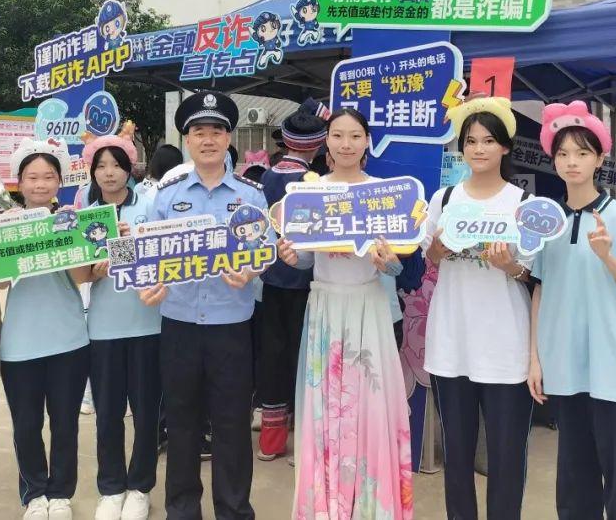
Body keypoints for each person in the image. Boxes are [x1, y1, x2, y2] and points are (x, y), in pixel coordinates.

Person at [528, 101, 616, 520]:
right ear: (553, 159)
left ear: (600, 159)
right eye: (563, 153)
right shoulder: (547, 221)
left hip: (615, 369)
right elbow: (540, 289)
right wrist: (535, 358)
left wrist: (608, 258)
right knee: (574, 477)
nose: (572, 162)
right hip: (565, 367)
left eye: (582, 152)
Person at [278, 108, 414, 519]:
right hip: (325, 308)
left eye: (355, 135)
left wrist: (389, 263)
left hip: (368, 309)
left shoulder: (383, 195)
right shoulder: (310, 193)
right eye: (338, 135)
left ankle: (372, 507)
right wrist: (292, 256)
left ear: (367, 141)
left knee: (371, 408)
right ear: (327, 141)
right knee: (325, 412)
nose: (346, 144)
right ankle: (326, 506)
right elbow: (306, 259)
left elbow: (397, 267)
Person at [139, 91, 268, 520]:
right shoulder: (165, 196)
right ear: (187, 140)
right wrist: (147, 284)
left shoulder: (251, 196)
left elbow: (264, 252)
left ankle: (234, 510)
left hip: (232, 326)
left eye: (216, 131)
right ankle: (182, 510)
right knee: (181, 423)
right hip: (179, 325)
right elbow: (148, 256)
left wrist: (251, 270)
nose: (208, 140)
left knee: (232, 424)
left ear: (228, 138)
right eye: (199, 132)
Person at [423, 98, 534, 520]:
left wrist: (511, 267)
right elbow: (430, 256)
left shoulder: (522, 203)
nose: (479, 149)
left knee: (507, 456)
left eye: (489, 141)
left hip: (505, 347)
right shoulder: (445, 198)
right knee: (456, 454)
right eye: (471, 141)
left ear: (505, 147)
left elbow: (533, 274)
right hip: (452, 343)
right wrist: (437, 249)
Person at [0, 138, 91, 520]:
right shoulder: (4, 226)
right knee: (26, 424)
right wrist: (10, 235)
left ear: (59, 182)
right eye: (32, 177)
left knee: (65, 423)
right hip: (20, 343)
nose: (40, 184)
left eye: (48, 176)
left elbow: (83, 277)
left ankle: (60, 494)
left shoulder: (71, 220)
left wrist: (68, 234)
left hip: (69, 339)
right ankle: (34, 493)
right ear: (19, 182)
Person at [73, 134, 161, 520]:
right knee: (108, 413)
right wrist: (97, 267)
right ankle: (111, 488)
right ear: (92, 172)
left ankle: (140, 487)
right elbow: (80, 274)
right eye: (101, 166)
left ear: (130, 168)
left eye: (117, 165)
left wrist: (128, 244)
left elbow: (163, 255)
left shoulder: (151, 205)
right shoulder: (85, 214)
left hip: (148, 324)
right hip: (103, 327)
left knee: (146, 412)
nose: (109, 173)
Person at [255, 99, 326, 462]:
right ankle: (304, 444)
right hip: (305, 281)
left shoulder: (264, 178)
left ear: (284, 140)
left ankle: (271, 441)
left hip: (268, 280)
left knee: (272, 358)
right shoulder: (314, 183)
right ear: (318, 145)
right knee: (305, 360)